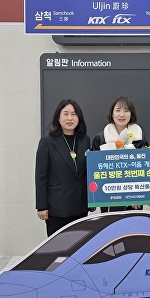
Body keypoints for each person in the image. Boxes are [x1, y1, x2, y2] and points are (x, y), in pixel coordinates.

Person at [35, 98, 91, 236]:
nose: (70, 118)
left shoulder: (85, 140)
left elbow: (88, 173)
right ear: (58, 118)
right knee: (58, 246)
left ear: (79, 118)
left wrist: (92, 200)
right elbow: (41, 176)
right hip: (57, 208)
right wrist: (42, 206)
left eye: (74, 114)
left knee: (80, 245)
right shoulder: (47, 142)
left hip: (80, 207)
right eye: (65, 114)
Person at [91, 96, 148, 212]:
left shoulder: (139, 137)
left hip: (134, 200)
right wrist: (94, 198)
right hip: (107, 196)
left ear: (131, 114)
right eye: (118, 110)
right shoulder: (101, 138)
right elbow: (93, 169)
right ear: (112, 114)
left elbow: (146, 169)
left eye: (126, 111)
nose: (122, 115)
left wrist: (139, 196)